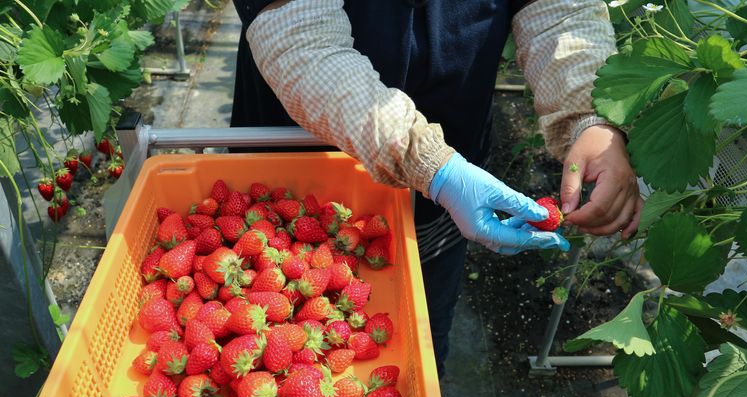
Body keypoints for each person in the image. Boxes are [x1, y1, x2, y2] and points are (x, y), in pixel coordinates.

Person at [230, 0, 642, 375]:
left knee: (421, 340)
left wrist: (589, 117)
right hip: (300, 175)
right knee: (261, 332)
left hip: (451, 176)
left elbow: (558, 11)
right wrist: (429, 164)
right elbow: (301, 39)